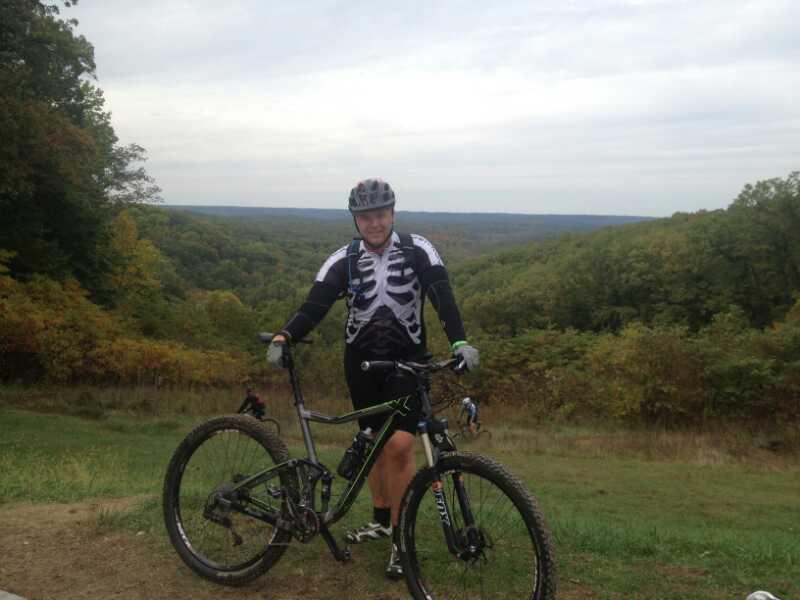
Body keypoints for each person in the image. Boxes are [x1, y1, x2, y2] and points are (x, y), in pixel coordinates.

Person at [267, 178, 479, 579]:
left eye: (380, 214)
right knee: (373, 442)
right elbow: (314, 305)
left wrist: (460, 342)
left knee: (399, 445)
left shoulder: (418, 250)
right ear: (356, 219)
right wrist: (284, 335)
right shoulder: (343, 259)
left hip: (407, 363)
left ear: (392, 214)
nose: (374, 223)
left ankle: (401, 538)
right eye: (366, 216)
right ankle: (381, 519)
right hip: (361, 365)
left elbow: (442, 296)